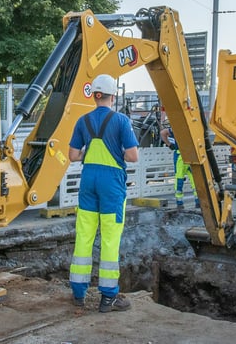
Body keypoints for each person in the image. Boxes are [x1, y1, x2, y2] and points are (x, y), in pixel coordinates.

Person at [68, 73, 139, 313]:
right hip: (111, 183)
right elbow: (132, 156)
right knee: (109, 239)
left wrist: (91, 151)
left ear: (95, 95)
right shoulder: (120, 121)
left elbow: (73, 155)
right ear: (113, 95)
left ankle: (78, 293)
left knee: (84, 235)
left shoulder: (82, 121)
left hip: (88, 180)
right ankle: (108, 297)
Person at [160, 127, 199, 211]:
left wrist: (169, 144)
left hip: (181, 156)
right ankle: (197, 202)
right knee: (194, 179)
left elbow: (163, 133)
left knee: (180, 180)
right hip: (190, 154)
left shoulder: (177, 126)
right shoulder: (192, 126)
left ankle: (180, 203)